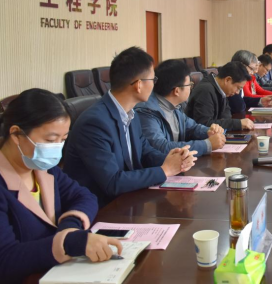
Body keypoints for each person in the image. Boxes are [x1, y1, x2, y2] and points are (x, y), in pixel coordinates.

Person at [0, 89, 122, 284]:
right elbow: (1, 261)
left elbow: (84, 196)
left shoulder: (42, 167)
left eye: (63, 139)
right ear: (16, 134)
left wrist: (70, 227)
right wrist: (68, 243)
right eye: (50, 140)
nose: (57, 148)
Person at [63, 47, 198, 207]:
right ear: (139, 85)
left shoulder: (131, 113)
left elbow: (145, 152)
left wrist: (174, 160)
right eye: (153, 80)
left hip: (129, 202)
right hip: (101, 210)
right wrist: (165, 170)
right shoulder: (94, 123)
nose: (155, 85)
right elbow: (112, 182)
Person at [136, 60, 226, 156]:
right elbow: (161, 147)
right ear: (177, 91)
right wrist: (207, 145)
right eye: (189, 85)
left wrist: (210, 131)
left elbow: (192, 128)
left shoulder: (175, 106)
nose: (191, 88)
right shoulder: (147, 112)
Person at [186, 61, 255, 131]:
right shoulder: (205, 90)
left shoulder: (221, 89)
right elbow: (204, 124)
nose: (237, 92)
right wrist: (238, 124)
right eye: (238, 88)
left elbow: (227, 116)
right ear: (227, 80)